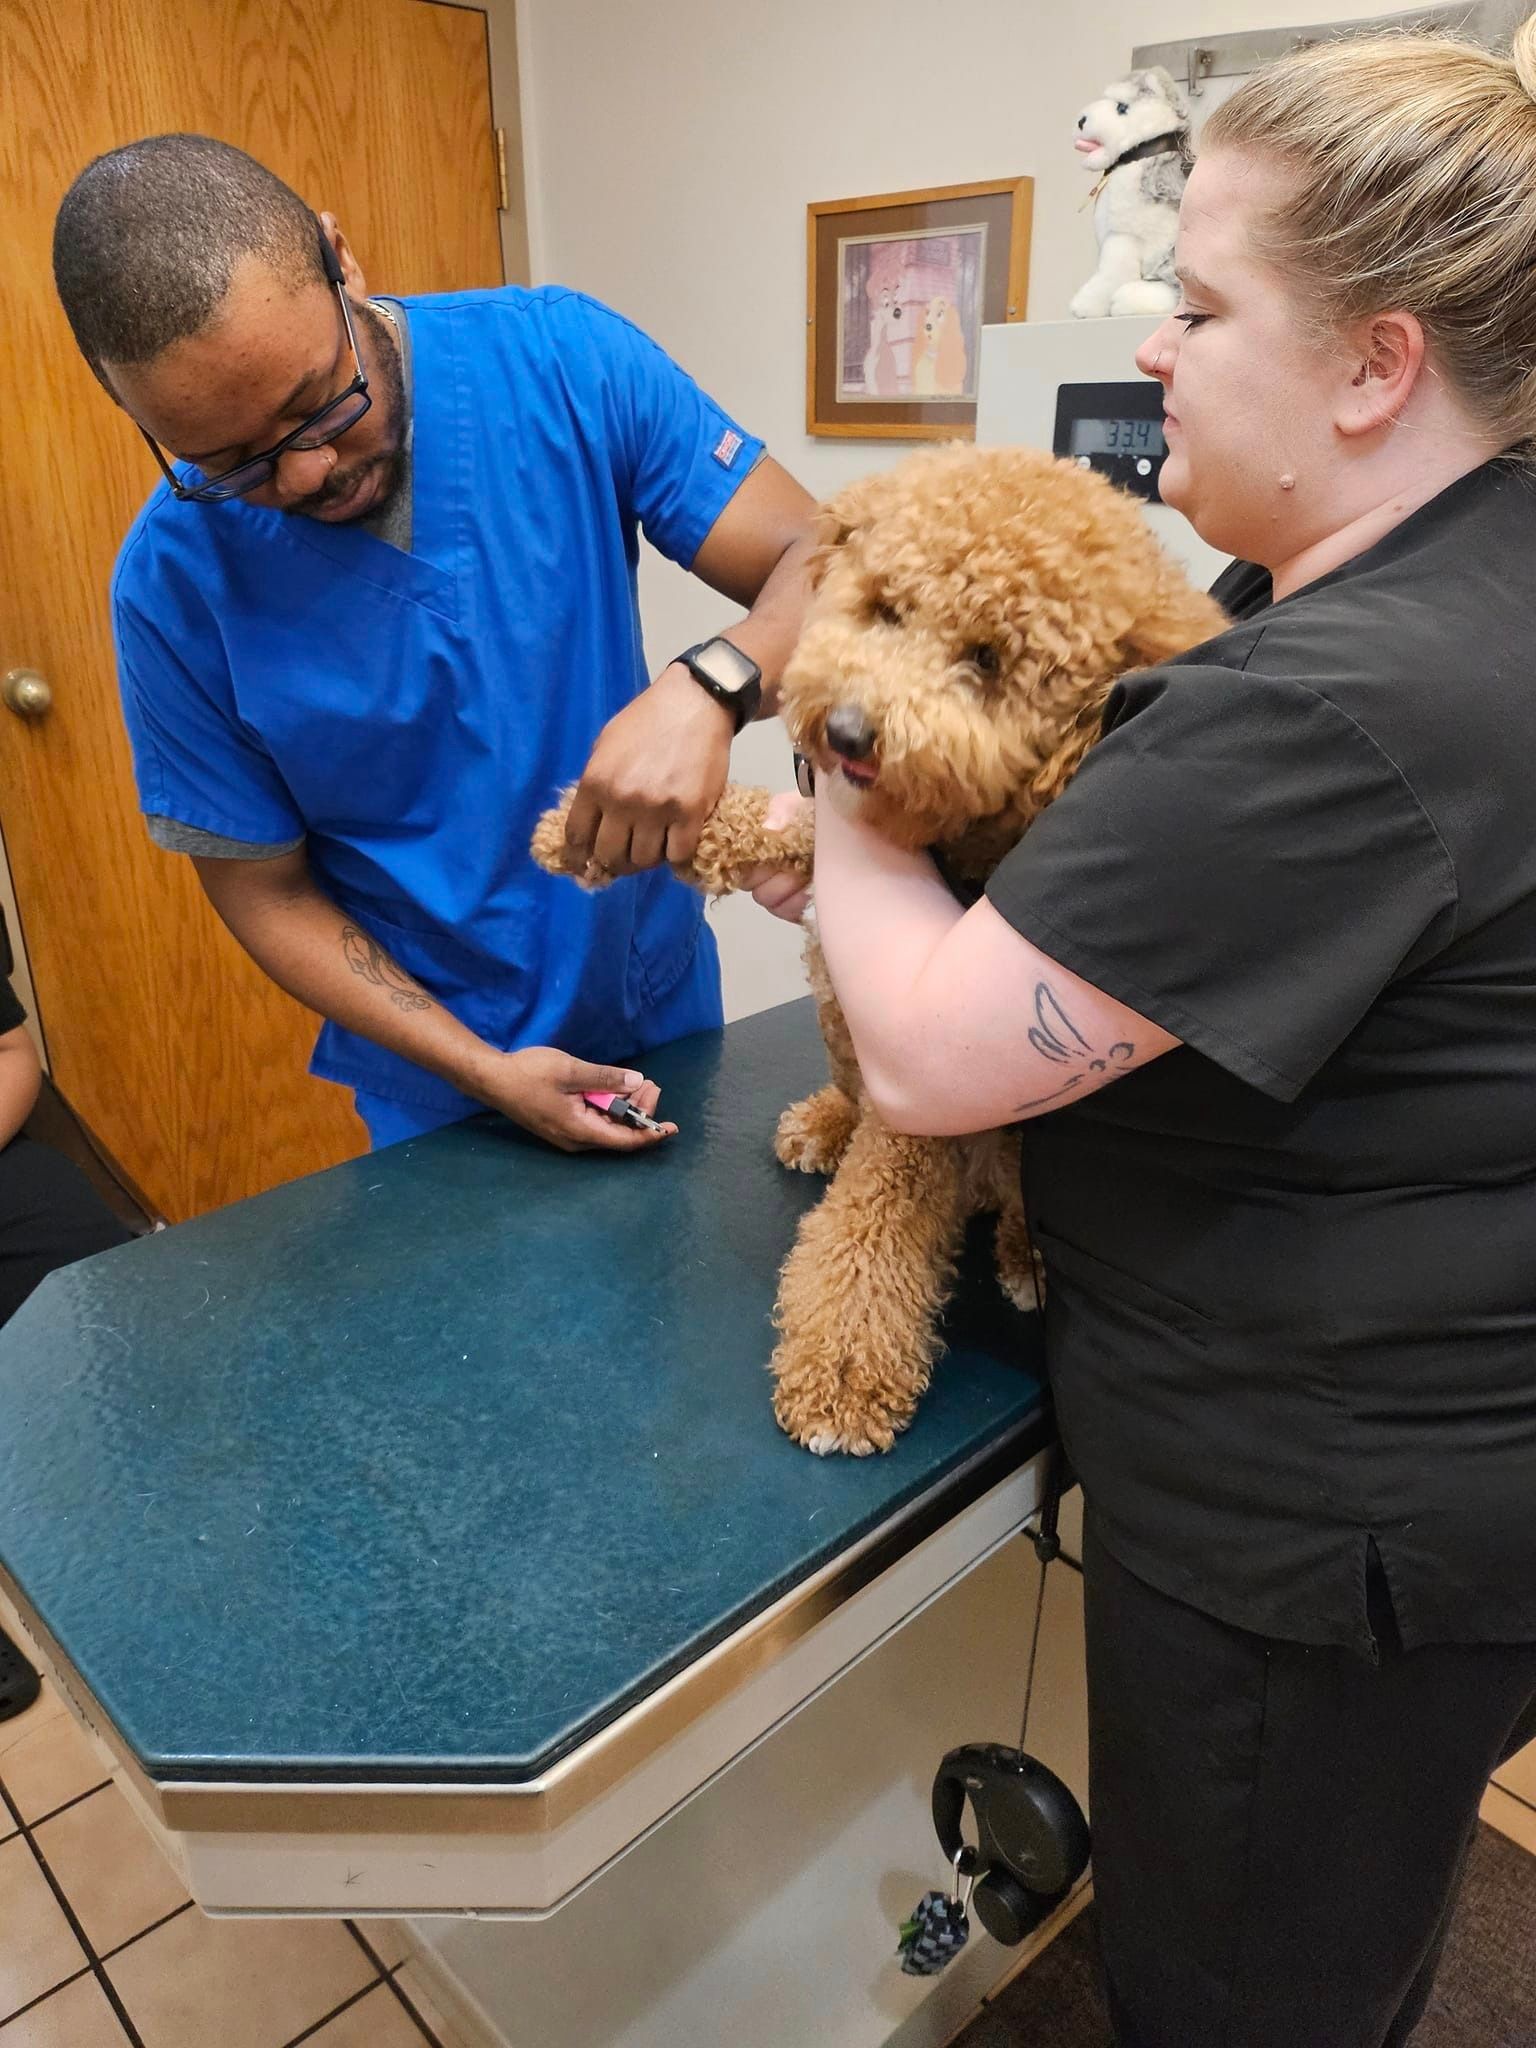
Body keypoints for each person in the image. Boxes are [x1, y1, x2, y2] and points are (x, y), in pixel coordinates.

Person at [759, 22, 1536, 2045]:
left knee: (1235, 1988)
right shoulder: (1482, 584)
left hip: (1311, 1534)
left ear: (1376, 364)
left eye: (1194, 301)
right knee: (1359, 1925)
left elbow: (926, 1060)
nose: (1148, 339)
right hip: (1460, 1474)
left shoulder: (1326, 703)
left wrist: (843, 746)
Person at [51, 136, 816, 1155]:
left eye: (317, 402)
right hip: (439, 1086)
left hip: (659, 1001)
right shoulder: (173, 583)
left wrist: (714, 682)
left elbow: (831, 558)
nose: (306, 474)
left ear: (340, 259)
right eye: (232, 462)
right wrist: (480, 1070)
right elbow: (261, 886)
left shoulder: (560, 362)